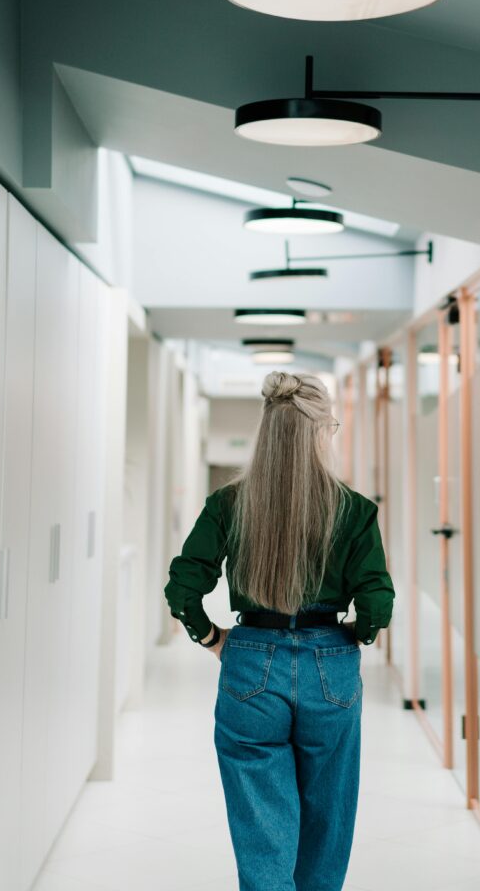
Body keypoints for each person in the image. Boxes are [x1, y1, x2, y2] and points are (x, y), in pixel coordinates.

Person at [164, 370, 395, 891]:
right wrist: (357, 635)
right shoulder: (353, 510)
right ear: (319, 433)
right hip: (329, 666)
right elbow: (377, 599)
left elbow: (183, 589)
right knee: (327, 819)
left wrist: (211, 637)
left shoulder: (228, 503)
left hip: (250, 665)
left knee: (261, 828)